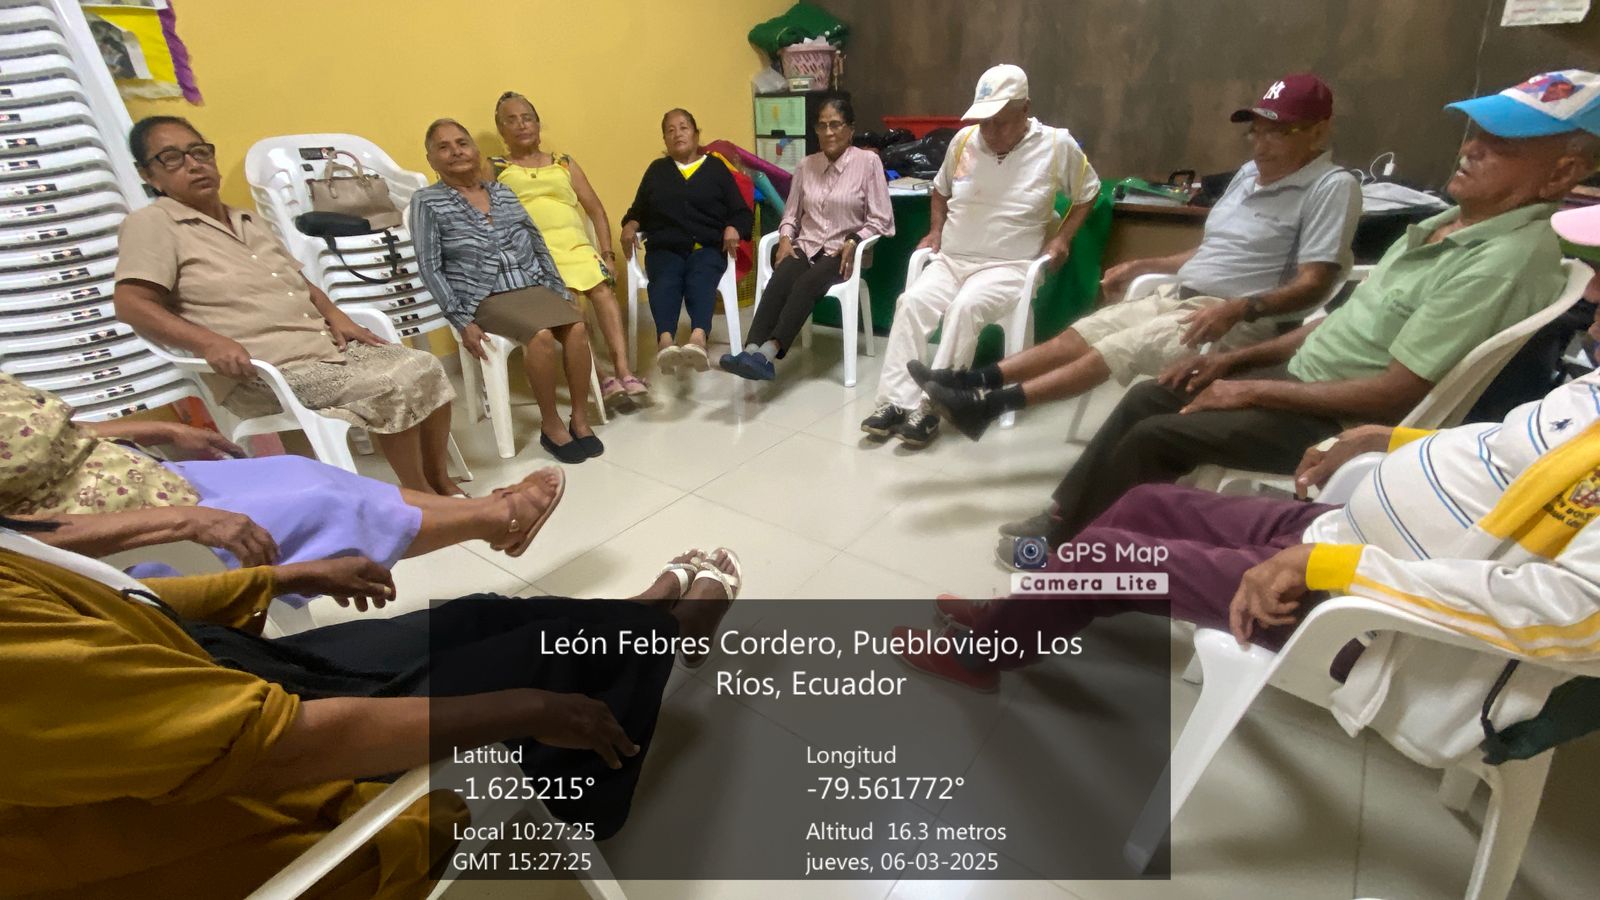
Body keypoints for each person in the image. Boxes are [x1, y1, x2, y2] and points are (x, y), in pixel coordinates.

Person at [998, 71, 1600, 549]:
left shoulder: (1502, 261)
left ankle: (1083, 554)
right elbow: (1332, 323)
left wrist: (1250, 388)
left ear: (1564, 173)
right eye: (1476, 133)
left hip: (1339, 418)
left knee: (1159, 433)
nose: (1470, 149)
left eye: (1502, 145)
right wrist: (1232, 364)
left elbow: (1395, 392)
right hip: (1302, 375)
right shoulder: (1444, 225)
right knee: (1155, 392)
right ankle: (1065, 517)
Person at [893, 359, 1600, 765]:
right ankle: (1014, 617)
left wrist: (1332, 570)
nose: (1592, 291)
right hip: (1339, 535)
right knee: (1146, 502)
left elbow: (1577, 618)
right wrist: (1393, 439)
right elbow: (1505, 453)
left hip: (1367, 612)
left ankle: (984, 656)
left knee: (1106, 556)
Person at [0, 521, 744, 897]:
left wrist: (279, 578)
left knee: (482, 612)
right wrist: (525, 707)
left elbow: (114, 603)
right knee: (546, 668)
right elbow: (271, 748)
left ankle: (642, 617)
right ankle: (667, 626)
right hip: (240, 796)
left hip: (212, 675)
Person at [915, 74, 1362, 439]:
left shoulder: (1331, 187)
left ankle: (988, 408)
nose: (1261, 145)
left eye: (1279, 132)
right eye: (1257, 132)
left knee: (1113, 348)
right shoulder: (1249, 174)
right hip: (1182, 296)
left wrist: (1241, 308)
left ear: (1319, 131)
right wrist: (1142, 265)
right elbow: (1212, 253)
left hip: (1235, 318)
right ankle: (968, 382)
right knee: (1081, 333)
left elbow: (1315, 283)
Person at [112, 116, 463, 496]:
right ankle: (419, 495)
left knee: (425, 365)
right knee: (388, 384)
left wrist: (335, 315)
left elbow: (298, 280)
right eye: (172, 158)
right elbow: (131, 304)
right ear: (148, 175)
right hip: (263, 371)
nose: (194, 165)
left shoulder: (245, 218)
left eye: (200, 152)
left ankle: (440, 480)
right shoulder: (153, 224)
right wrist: (207, 342)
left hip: (323, 347)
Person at [0, 371, 564, 601]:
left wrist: (160, 430)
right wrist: (185, 520)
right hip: (127, 529)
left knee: (307, 472)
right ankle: (496, 519)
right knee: (323, 503)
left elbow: (60, 434)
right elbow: (14, 543)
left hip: (149, 476)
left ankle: (488, 514)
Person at [860, 64, 1101, 448]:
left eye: (1000, 122)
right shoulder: (965, 141)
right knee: (911, 302)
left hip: (1010, 267)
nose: (990, 131)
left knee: (965, 307)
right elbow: (940, 191)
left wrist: (1062, 239)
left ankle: (932, 406)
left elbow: (1088, 193)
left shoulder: (1057, 146)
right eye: (984, 121)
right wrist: (936, 230)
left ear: (1025, 109)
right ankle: (894, 402)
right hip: (953, 259)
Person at [412, 118, 602, 465]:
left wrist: (558, 289)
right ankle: (551, 425)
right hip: (483, 296)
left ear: (475, 150)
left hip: (530, 284)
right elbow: (430, 266)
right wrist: (461, 320)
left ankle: (579, 417)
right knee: (540, 336)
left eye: (462, 143)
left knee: (576, 327)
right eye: (443, 147)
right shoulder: (427, 201)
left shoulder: (502, 193)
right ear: (431, 160)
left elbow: (537, 243)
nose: (456, 151)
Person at [491, 91, 649, 410]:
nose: (521, 125)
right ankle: (600, 377)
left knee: (602, 290)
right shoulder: (495, 168)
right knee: (570, 303)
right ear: (501, 131)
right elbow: (485, 213)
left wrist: (607, 254)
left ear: (538, 124)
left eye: (527, 118)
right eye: (511, 120)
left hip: (576, 247)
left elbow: (596, 210)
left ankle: (624, 371)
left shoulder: (563, 163)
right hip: (535, 256)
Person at [720, 94, 894, 381]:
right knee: (781, 276)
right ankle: (749, 350)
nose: (828, 132)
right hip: (808, 244)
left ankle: (768, 354)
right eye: (822, 125)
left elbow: (882, 218)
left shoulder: (868, 162)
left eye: (836, 124)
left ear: (850, 129)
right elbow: (790, 214)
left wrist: (854, 239)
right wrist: (785, 238)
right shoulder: (806, 165)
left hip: (842, 252)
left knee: (805, 284)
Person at [620, 108, 754, 376]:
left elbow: (741, 212)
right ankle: (665, 342)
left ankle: (698, 338)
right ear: (665, 140)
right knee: (665, 278)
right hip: (665, 247)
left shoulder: (715, 168)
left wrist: (732, 227)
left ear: (695, 134)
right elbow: (638, 211)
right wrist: (630, 225)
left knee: (701, 276)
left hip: (706, 247)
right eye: (670, 130)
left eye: (683, 127)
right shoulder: (657, 171)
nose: (677, 134)